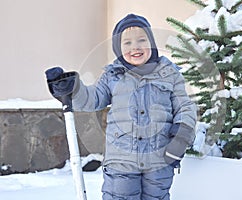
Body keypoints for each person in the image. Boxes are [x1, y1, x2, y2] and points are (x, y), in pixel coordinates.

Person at [46, 13, 197, 200]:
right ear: (118, 48)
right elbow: (92, 98)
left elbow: (185, 107)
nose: (136, 47)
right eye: (127, 43)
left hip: (159, 160)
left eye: (142, 40)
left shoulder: (169, 74)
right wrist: (73, 90)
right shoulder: (112, 75)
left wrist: (181, 136)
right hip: (121, 162)